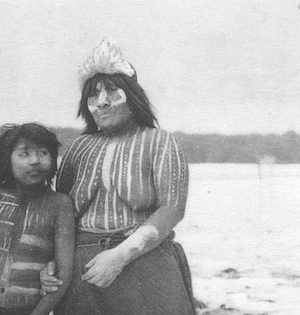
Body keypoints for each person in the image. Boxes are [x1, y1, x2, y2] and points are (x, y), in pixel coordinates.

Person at [39, 38, 196, 315]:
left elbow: (172, 208)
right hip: (82, 275)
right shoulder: (79, 147)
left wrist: (121, 255)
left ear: (133, 96)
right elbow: (59, 210)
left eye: (112, 91)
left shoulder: (160, 141)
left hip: (145, 270)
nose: (101, 102)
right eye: (93, 95)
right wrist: (50, 260)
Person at [0, 123, 75, 315]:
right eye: (24, 154)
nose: (35, 161)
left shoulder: (60, 204)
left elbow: (64, 272)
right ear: (7, 160)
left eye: (43, 153)